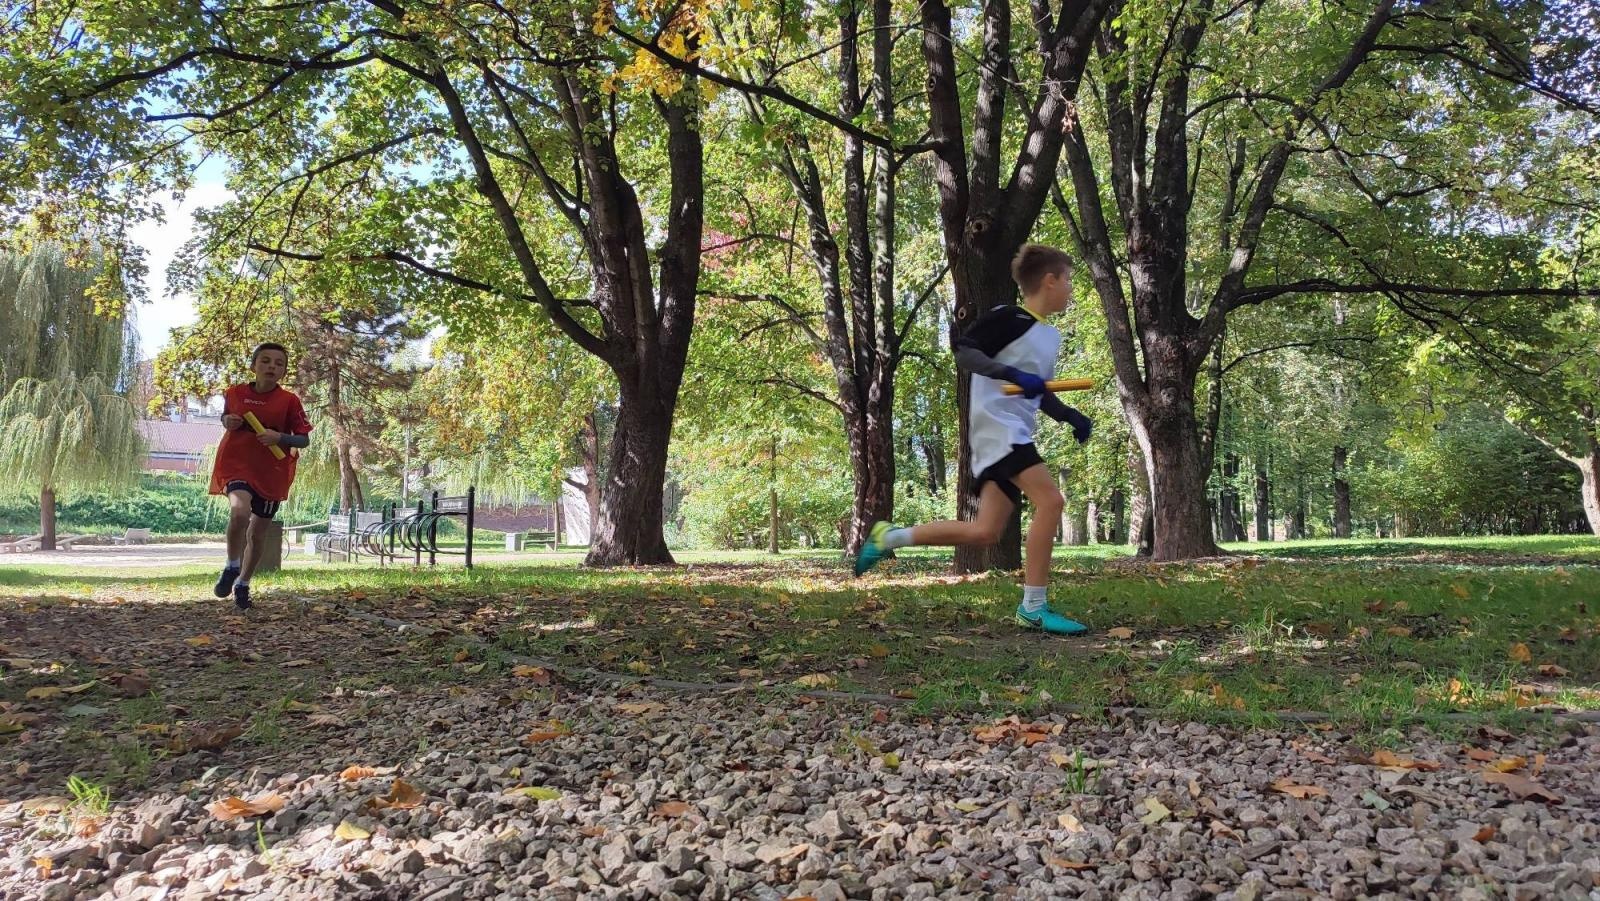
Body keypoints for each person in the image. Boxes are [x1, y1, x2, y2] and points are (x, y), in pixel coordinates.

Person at [854, 244, 1093, 635]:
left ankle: (888, 536)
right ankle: (1034, 606)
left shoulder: (1049, 338)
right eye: (1067, 280)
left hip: (1012, 432)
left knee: (985, 532)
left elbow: (1037, 389)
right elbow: (965, 352)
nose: (1070, 289)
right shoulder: (1009, 318)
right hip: (997, 429)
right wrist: (1011, 375)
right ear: (1049, 281)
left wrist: (1068, 415)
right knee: (1051, 501)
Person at [209, 342, 312, 609]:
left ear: (284, 371)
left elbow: (303, 440)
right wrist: (227, 421)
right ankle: (232, 565)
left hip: (271, 471)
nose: (271, 367)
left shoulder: (290, 401)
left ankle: (243, 582)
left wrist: (279, 437)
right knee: (239, 511)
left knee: (257, 534)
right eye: (265, 361)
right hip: (237, 463)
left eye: (279, 363)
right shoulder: (235, 393)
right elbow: (226, 416)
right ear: (254, 365)